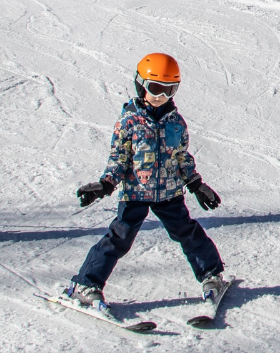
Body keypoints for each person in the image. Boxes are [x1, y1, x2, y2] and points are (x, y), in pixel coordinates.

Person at [66, 53, 227, 316]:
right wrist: (105, 184)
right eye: (155, 88)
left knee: (186, 231)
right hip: (135, 193)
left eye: (169, 90)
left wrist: (196, 184)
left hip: (169, 193)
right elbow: (119, 158)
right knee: (119, 238)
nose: (161, 96)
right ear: (141, 84)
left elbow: (182, 156)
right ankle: (85, 285)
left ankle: (211, 274)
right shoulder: (129, 122)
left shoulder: (176, 122)